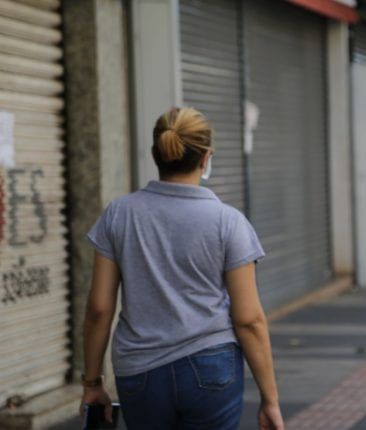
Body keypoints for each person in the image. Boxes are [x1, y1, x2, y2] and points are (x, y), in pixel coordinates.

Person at [79, 107, 284, 430]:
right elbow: (249, 320)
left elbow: (99, 308)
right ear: (206, 158)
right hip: (212, 366)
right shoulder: (228, 222)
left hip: (139, 371)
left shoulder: (119, 215)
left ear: (155, 153)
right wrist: (270, 399)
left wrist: (92, 383)